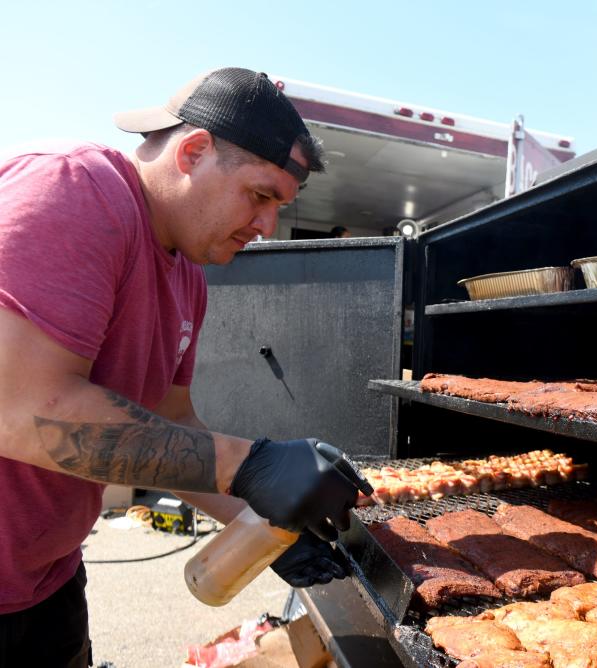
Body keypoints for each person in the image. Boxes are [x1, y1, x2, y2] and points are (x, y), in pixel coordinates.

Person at [0, 68, 369, 667]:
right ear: (194, 151)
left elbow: (168, 424)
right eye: (260, 195)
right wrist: (251, 463)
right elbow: (19, 410)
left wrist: (270, 525)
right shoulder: (76, 189)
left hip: (46, 584)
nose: (267, 226)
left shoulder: (187, 275)